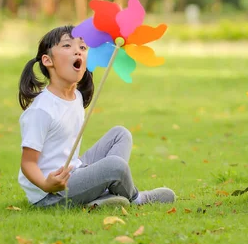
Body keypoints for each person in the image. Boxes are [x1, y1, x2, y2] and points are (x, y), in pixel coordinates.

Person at [17, 25, 175, 208]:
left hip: (74, 170)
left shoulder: (77, 97)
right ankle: (136, 199)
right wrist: (46, 184)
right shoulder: (42, 110)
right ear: (47, 60)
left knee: (120, 135)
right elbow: (28, 163)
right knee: (114, 165)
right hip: (51, 194)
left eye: (83, 48)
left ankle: (100, 199)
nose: (77, 51)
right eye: (67, 46)